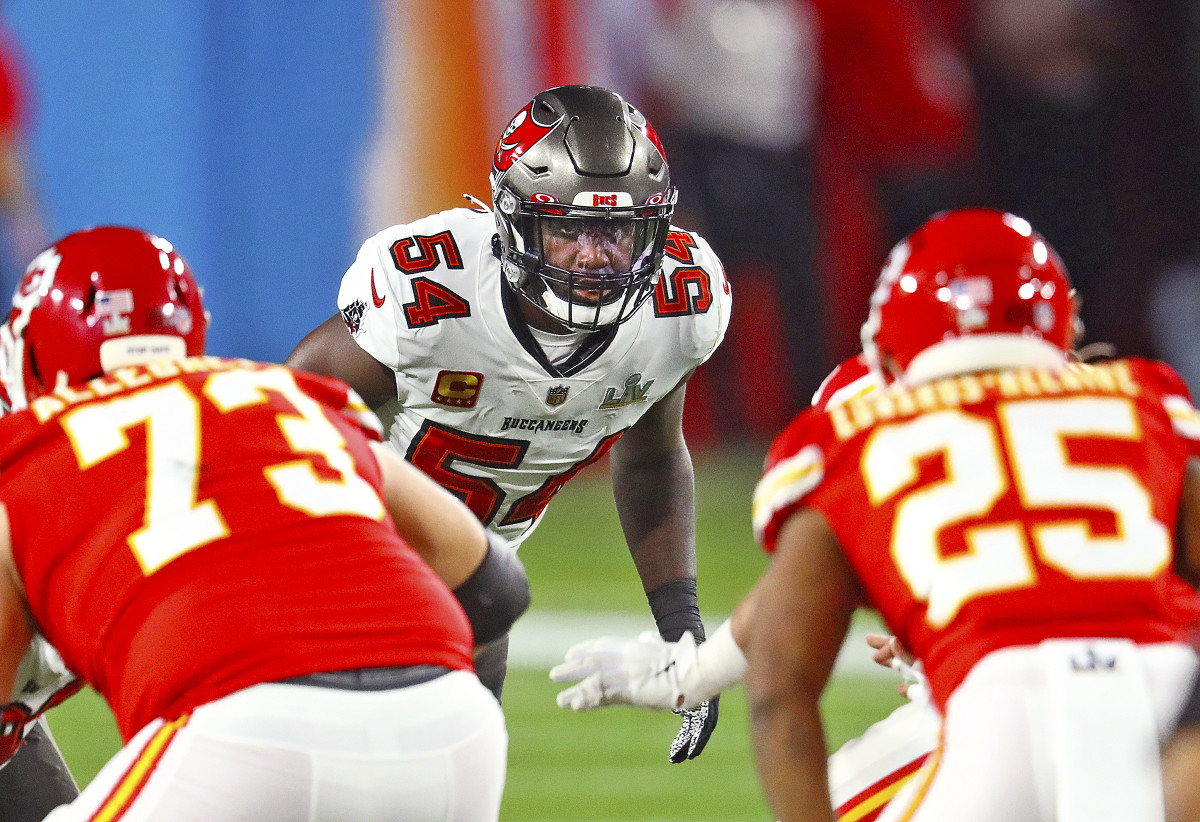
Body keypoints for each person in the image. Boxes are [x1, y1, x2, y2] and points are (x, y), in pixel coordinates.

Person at [553, 208, 1200, 820]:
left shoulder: (856, 427)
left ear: (890, 344)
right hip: (1173, 689)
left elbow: (782, 673)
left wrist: (696, 673)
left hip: (996, 708)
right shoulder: (1144, 400)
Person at [0, 225, 531, 821]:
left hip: (242, 735)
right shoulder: (290, 398)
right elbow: (496, 588)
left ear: (30, 351)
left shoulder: (29, 450)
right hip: (453, 734)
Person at [286, 84, 731, 762]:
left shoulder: (679, 306)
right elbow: (289, 415)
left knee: (456, 783)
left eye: (616, 232)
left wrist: (682, 628)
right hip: (352, 571)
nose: (594, 257)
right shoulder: (432, 291)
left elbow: (651, 456)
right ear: (515, 220)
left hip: (479, 588)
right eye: (569, 230)